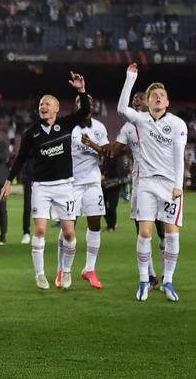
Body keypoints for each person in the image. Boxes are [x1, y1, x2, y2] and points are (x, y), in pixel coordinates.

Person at [0, 72, 90, 290]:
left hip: (65, 186)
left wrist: (81, 90)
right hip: (41, 186)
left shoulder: (67, 124)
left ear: (56, 109)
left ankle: (66, 270)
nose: (43, 106)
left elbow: (85, 110)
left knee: (69, 232)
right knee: (39, 230)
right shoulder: (32, 133)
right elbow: (21, 158)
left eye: (47, 104)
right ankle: (40, 275)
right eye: (41, 104)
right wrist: (9, 180)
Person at [117, 64, 186, 302]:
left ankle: (168, 280)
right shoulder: (140, 120)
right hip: (145, 183)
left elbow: (179, 158)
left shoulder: (178, 124)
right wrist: (130, 78)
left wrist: (178, 185)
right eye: (153, 95)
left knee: (171, 233)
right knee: (144, 232)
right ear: (147, 100)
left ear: (167, 102)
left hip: (169, 186)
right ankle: (144, 280)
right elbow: (120, 108)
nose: (157, 97)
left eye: (161, 95)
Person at [110, 92, 164, 290]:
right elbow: (113, 151)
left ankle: (167, 274)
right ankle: (150, 275)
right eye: (133, 100)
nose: (135, 102)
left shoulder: (163, 122)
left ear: (149, 101)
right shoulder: (128, 127)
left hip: (161, 182)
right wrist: (92, 145)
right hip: (140, 182)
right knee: (142, 230)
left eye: (139, 99)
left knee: (162, 229)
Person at [67, 95, 110, 289]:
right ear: (76, 107)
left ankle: (89, 269)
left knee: (95, 223)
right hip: (72, 183)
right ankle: (63, 270)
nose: (87, 107)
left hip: (92, 182)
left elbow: (107, 152)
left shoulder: (99, 128)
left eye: (90, 104)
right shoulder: (68, 127)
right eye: (82, 104)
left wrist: (91, 144)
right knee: (69, 228)